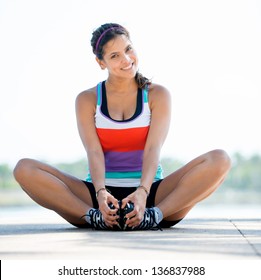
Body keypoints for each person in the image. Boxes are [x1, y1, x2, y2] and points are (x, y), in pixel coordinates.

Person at [13, 23, 231, 231]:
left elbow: (153, 148)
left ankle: (153, 216)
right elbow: (94, 151)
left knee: (220, 159)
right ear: (101, 62)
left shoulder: (157, 95)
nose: (126, 59)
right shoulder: (87, 99)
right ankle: (93, 217)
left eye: (128, 49)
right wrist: (100, 193)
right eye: (114, 56)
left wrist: (143, 193)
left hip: (151, 194)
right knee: (24, 169)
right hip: (97, 197)